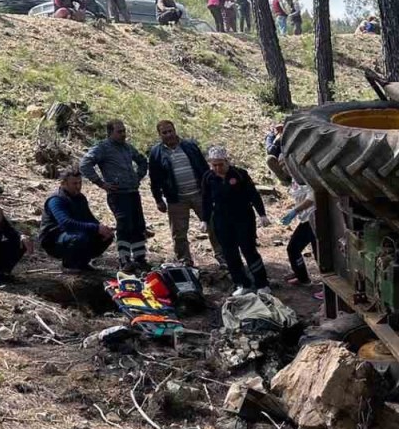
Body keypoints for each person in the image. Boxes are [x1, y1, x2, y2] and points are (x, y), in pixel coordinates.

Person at [148, 120, 223, 267]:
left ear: (175, 130)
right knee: (179, 233)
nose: (169, 135)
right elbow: (154, 178)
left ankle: (223, 256)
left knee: (214, 225)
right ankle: (185, 261)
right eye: (165, 132)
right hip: (176, 199)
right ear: (159, 134)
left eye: (170, 131)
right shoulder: (156, 153)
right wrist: (158, 199)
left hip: (200, 194)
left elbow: (204, 169)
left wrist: (213, 189)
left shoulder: (189, 146)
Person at [80, 119, 150, 271]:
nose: (123, 134)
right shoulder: (103, 148)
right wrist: (101, 183)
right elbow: (85, 163)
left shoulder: (127, 148)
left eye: (124, 131)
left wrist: (138, 176)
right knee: (124, 225)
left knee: (138, 225)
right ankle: (124, 259)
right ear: (110, 133)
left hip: (132, 192)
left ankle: (140, 258)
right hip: (117, 194)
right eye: (119, 131)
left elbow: (142, 161)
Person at [202, 147, 271, 296]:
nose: (217, 168)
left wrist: (262, 214)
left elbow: (253, 194)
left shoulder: (240, 174)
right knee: (229, 252)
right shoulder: (208, 177)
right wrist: (205, 219)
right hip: (221, 219)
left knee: (249, 250)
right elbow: (206, 200)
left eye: (220, 164)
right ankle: (242, 283)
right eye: (214, 165)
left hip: (243, 217)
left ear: (227, 162)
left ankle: (262, 283)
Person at [38, 169, 116, 273]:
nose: (78, 186)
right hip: (54, 240)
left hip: (72, 234)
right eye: (74, 183)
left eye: (80, 183)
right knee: (79, 237)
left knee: (106, 236)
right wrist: (96, 228)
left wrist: (103, 229)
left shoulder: (80, 198)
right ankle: (69, 265)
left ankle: (82, 263)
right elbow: (66, 224)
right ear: (64, 183)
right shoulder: (56, 200)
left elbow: (89, 218)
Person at [280, 180, 318, 290]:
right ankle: (302, 277)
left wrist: (295, 211)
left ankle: (327, 289)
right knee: (293, 249)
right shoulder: (293, 178)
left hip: (314, 218)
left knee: (320, 255)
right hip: (304, 219)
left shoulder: (305, 174)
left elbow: (312, 198)